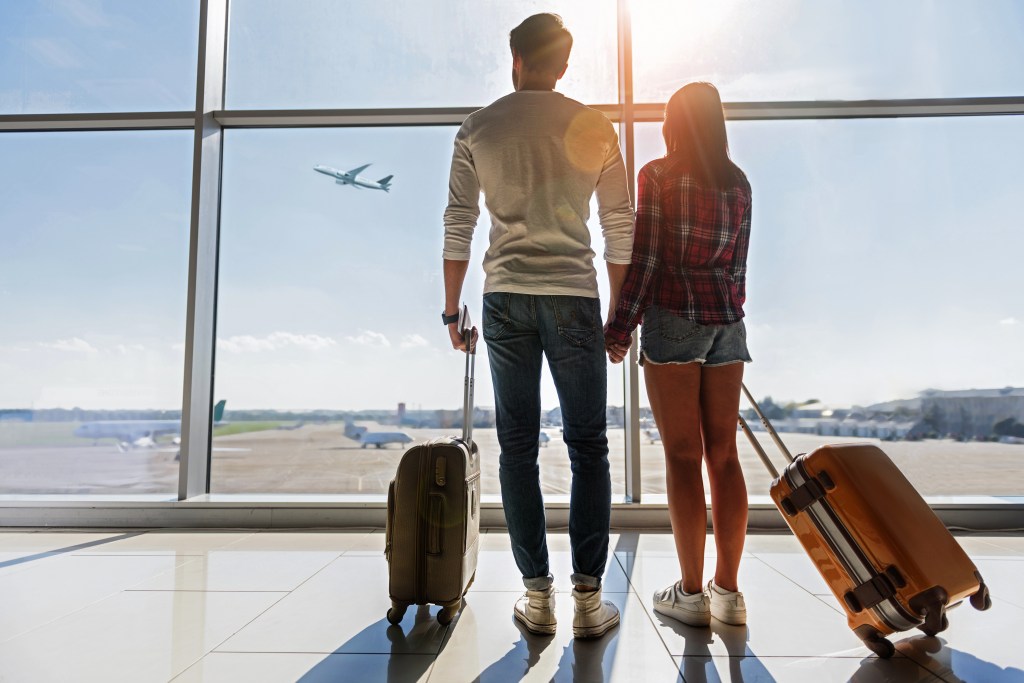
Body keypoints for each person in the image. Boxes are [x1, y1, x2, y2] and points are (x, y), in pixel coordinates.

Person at [442, 13, 634, 639]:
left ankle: (538, 597)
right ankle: (586, 599)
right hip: (574, 295)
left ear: (515, 59)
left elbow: (459, 222)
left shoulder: (479, 127)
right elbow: (619, 225)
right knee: (589, 447)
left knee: (518, 448)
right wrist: (618, 315)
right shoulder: (596, 126)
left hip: (505, 299)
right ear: (564, 65)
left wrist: (452, 310)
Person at [604, 82, 752, 627]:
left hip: (673, 320)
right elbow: (739, 266)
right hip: (728, 324)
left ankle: (690, 596)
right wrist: (726, 319)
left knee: (683, 457)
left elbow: (645, 260)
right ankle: (729, 594)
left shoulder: (660, 175)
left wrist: (620, 328)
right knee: (725, 456)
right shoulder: (739, 183)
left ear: (673, 122)